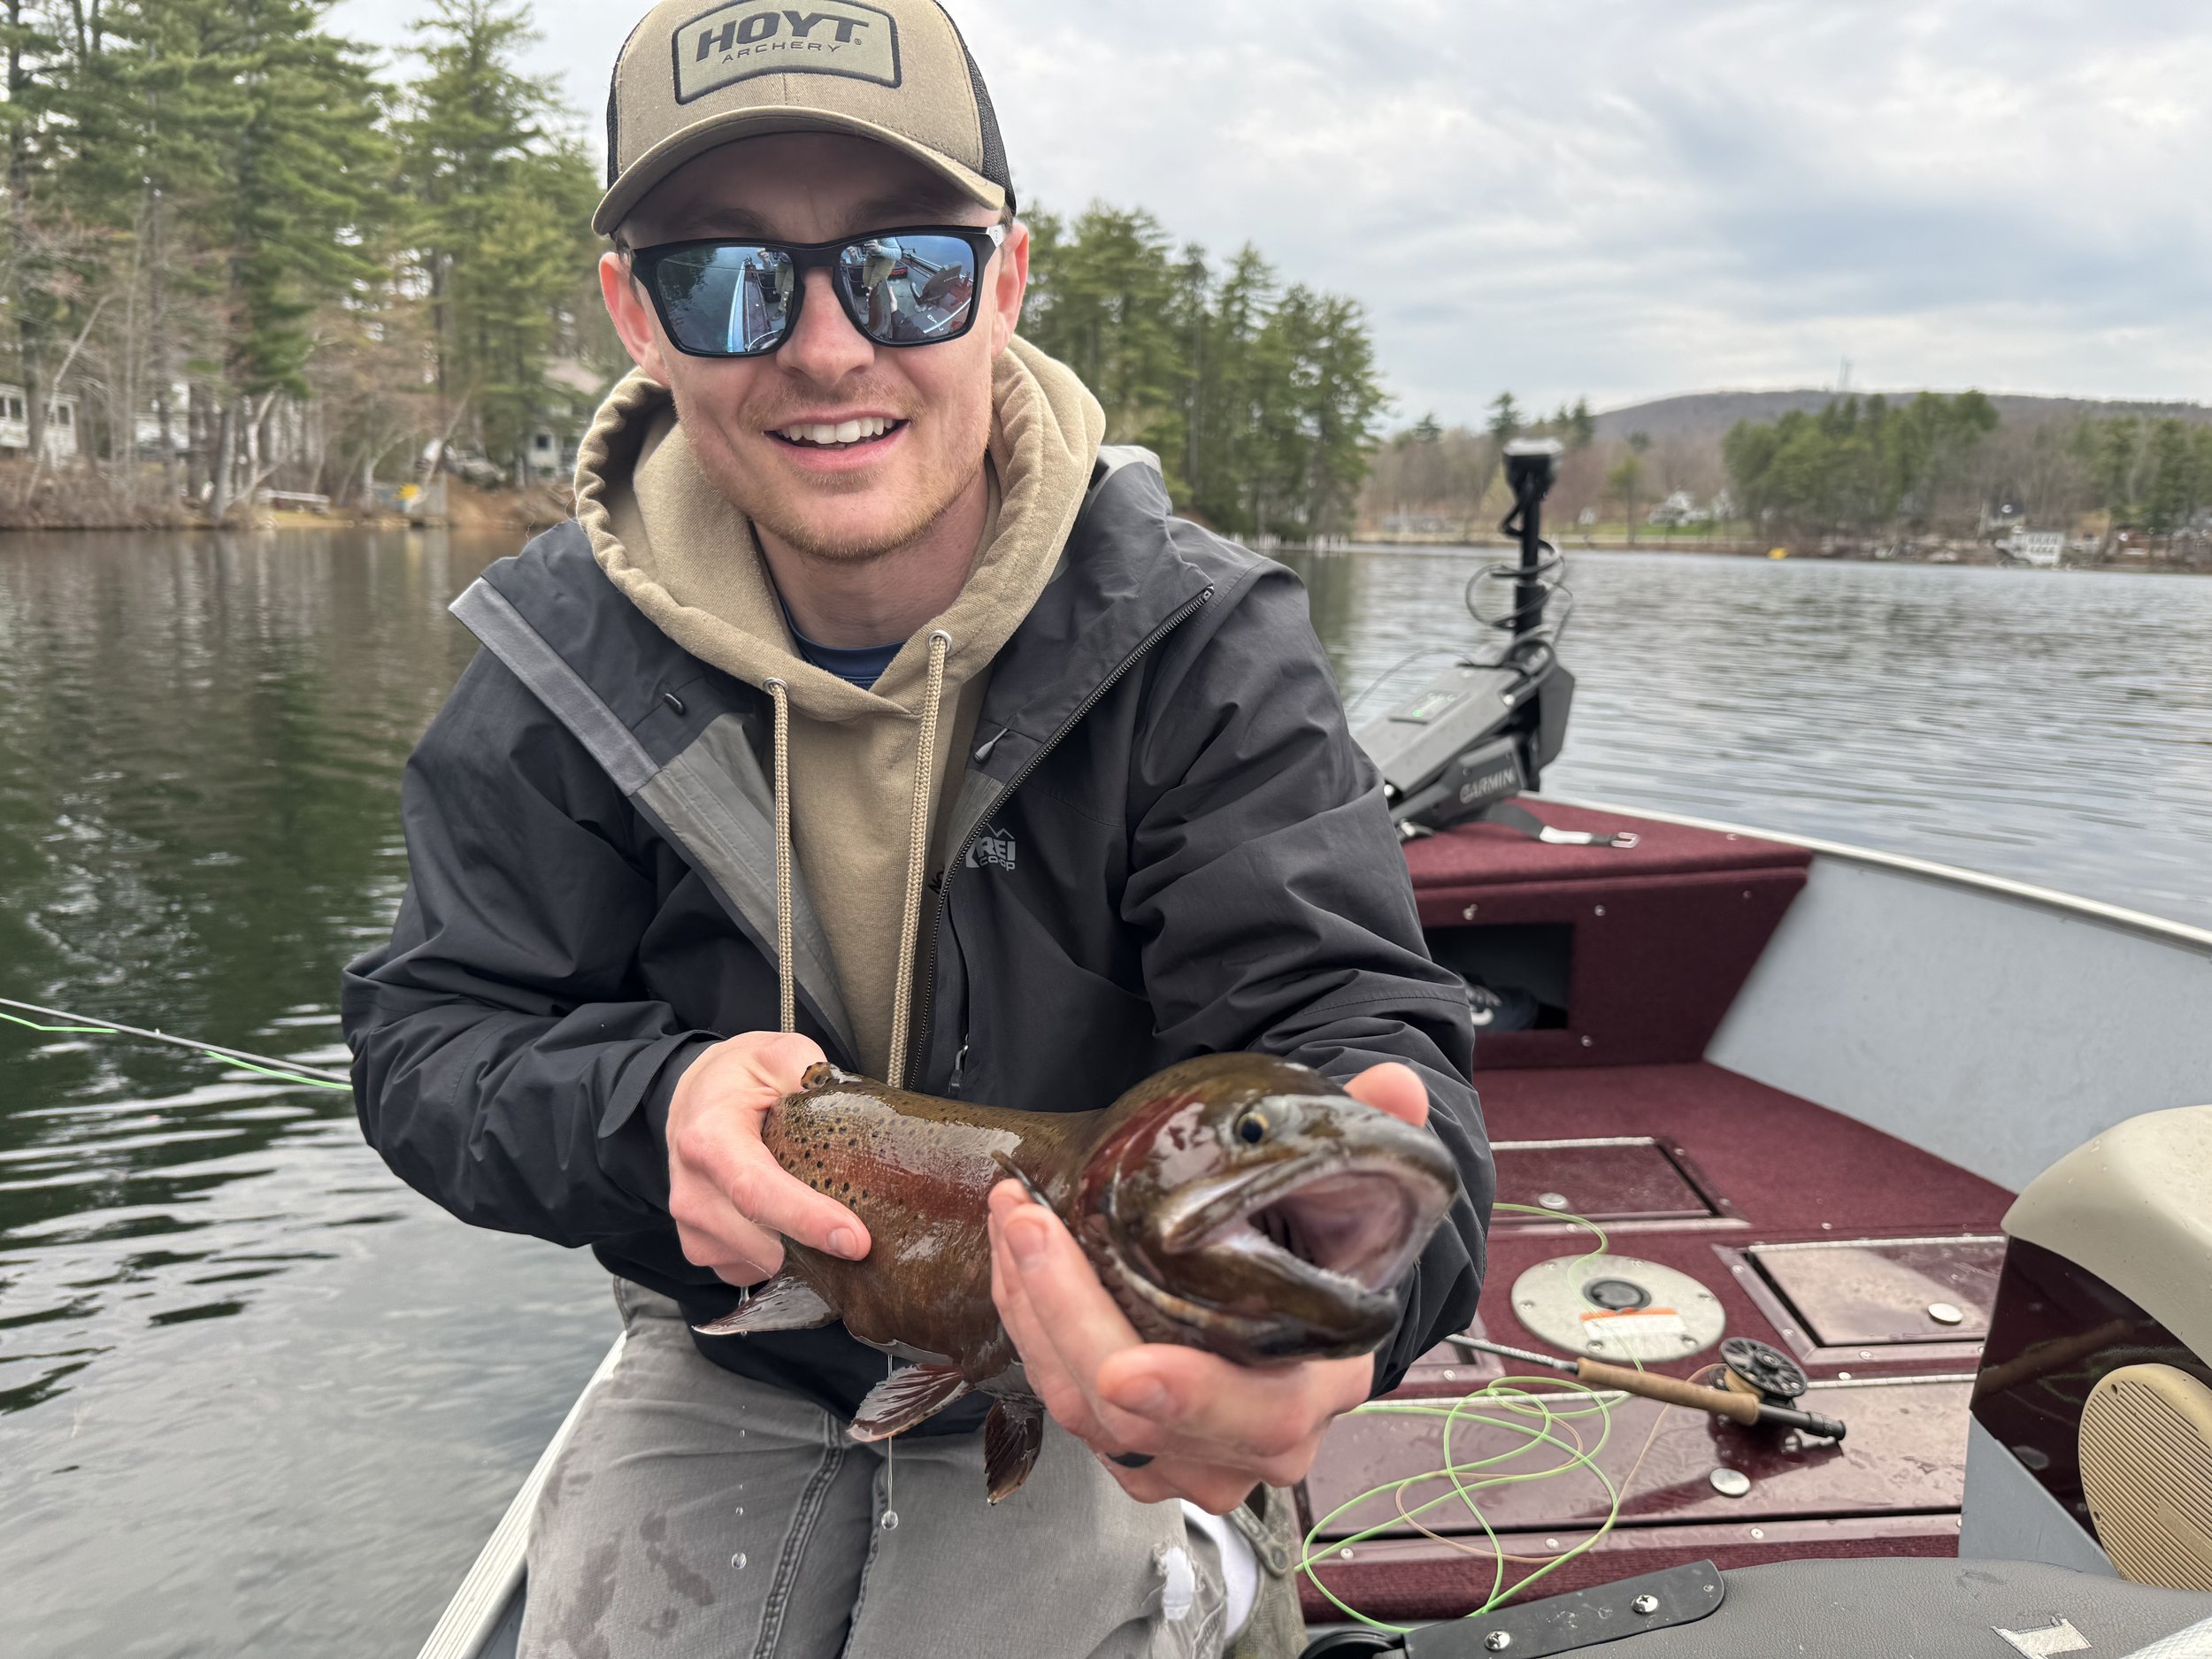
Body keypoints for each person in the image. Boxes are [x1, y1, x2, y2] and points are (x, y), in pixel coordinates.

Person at [342, 2, 1493, 1655]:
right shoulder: (550, 666)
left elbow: (1354, 1039)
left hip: (1113, 1351)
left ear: (1005, 283)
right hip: (738, 1345)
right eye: (726, 280)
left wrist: (1348, 1330)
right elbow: (429, 1041)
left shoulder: (1202, 642)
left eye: (908, 271)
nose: (826, 348)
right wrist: (646, 1114)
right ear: (636, 317)